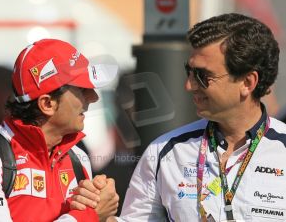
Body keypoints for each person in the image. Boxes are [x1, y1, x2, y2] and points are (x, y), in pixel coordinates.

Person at [72, 13, 286, 221]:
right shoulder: (165, 150)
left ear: (248, 83)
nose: (189, 86)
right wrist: (98, 214)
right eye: (189, 72)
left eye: (203, 76)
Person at [0, 39, 119, 221]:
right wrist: (91, 215)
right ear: (47, 103)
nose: (93, 97)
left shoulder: (77, 158)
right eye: (82, 89)